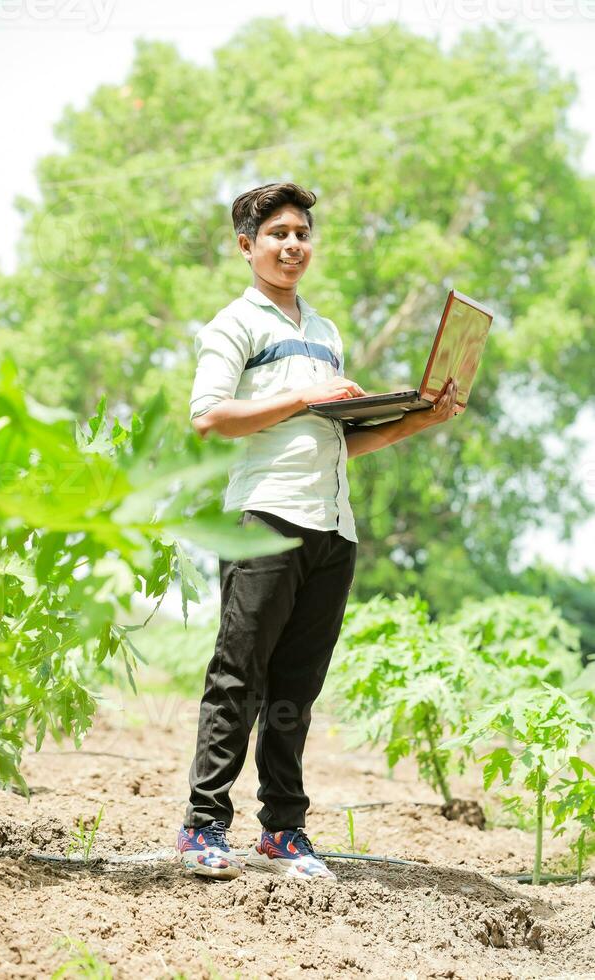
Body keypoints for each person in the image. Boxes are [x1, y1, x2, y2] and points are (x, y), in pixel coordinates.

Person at [176, 182, 459, 881]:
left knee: (296, 687)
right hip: (266, 517)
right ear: (247, 246)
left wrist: (417, 419)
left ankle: (284, 830)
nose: (292, 244)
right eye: (276, 234)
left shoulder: (326, 332)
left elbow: (335, 442)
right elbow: (210, 417)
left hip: (334, 526)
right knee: (238, 676)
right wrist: (307, 395)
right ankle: (203, 826)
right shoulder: (233, 325)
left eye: (301, 232)